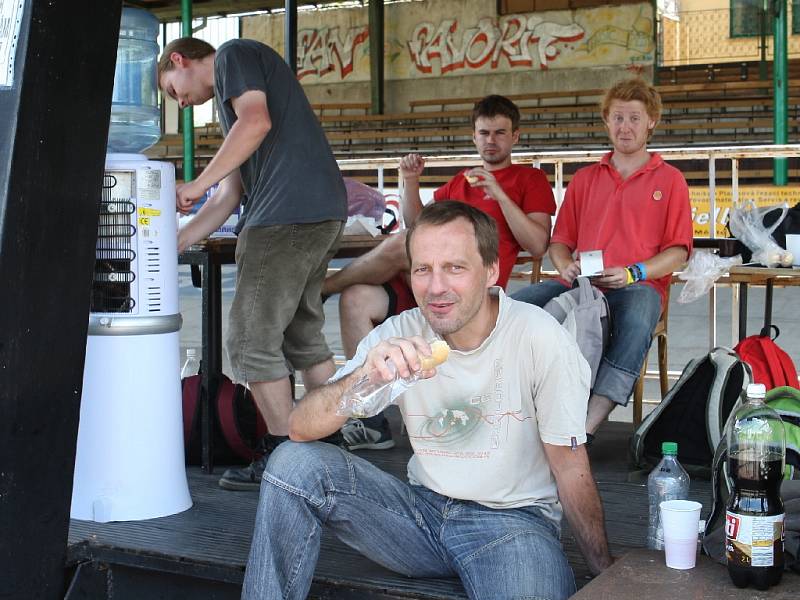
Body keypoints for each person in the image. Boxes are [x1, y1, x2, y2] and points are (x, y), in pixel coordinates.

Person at [242, 201, 613, 600]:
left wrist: (606, 571)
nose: (436, 287)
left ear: (491, 271)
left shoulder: (538, 337)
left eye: (455, 268)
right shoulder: (401, 332)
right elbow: (300, 426)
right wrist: (365, 377)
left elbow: (570, 464)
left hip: (511, 524)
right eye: (423, 269)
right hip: (418, 515)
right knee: (291, 463)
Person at [158, 38, 347, 490]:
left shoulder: (232, 57)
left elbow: (256, 121)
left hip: (284, 218)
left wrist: (197, 181)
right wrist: (179, 240)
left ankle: (284, 454)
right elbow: (229, 195)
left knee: (249, 340)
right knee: (302, 335)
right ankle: (333, 444)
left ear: (178, 60)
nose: (180, 104)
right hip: (321, 213)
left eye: (171, 90)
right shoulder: (236, 112)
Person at [325, 95, 555, 451]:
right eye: (484, 133)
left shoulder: (531, 179)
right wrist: (409, 181)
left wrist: (499, 193)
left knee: (400, 244)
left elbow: (539, 244)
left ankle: (324, 286)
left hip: (473, 293)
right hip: (425, 283)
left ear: (515, 137)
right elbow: (419, 227)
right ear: (473, 136)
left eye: (499, 133)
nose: (491, 140)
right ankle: (372, 424)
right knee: (355, 299)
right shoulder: (460, 182)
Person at [513, 78, 693, 439]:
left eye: (634, 118)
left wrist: (633, 272)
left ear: (651, 122)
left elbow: (678, 252)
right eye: (618, 118)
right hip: (582, 283)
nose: (625, 127)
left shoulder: (670, 179)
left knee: (641, 313)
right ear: (606, 121)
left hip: (637, 285)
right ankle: (513, 410)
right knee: (514, 306)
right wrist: (565, 265)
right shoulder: (585, 178)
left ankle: (585, 428)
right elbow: (560, 241)